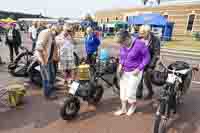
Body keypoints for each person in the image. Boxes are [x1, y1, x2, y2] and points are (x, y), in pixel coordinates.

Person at [114, 30, 150, 116]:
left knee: (130, 93)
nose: (121, 45)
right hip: (124, 71)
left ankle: (133, 106)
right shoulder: (123, 45)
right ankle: (123, 109)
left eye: (122, 43)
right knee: (123, 91)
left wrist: (139, 68)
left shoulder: (139, 44)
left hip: (135, 72)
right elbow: (122, 56)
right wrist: (120, 66)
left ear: (127, 38)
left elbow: (147, 58)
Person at [34, 25, 59, 100]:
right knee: (46, 77)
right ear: (52, 29)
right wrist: (42, 60)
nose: (56, 34)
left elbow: (53, 47)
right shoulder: (45, 33)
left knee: (51, 75)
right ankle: (47, 94)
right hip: (44, 59)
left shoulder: (52, 35)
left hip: (49, 59)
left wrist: (56, 58)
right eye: (56, 32)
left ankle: (50, 89)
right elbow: (39, 47)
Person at [136, 25, 160, 100]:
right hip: (140, 61)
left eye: (143, 33)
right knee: (138, 76)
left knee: (147, 78)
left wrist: (151, 66)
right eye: (140, 33)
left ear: (148, 32)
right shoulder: (139, 38)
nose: (141, 35)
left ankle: (150, 92)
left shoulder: (155, 40)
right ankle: (139, 91)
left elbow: (156, 53)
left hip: (150, 62)